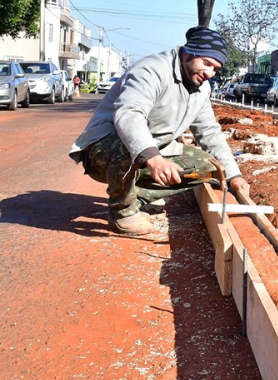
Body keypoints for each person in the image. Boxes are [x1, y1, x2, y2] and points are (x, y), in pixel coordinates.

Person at [69, 26, 249, 235]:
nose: (209, 73)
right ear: (189, 53)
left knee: (209, 167)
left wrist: (234, 175)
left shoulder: (201, 89)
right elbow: (129, 114)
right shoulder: (152, 70)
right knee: (131, 144)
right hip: (104, 148)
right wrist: (154, 159)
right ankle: (122, 213)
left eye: (215, 69)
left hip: (150, 151)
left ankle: (132, 198)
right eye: (206, 63)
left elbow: (209, 132)